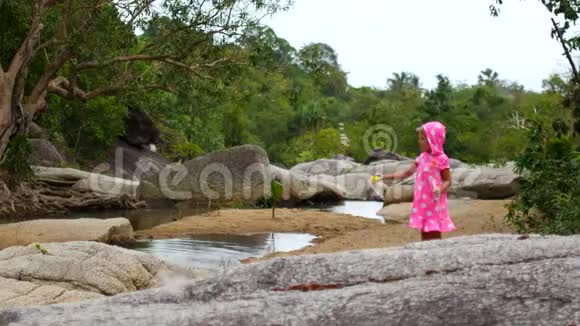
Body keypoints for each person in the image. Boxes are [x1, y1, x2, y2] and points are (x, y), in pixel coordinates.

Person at [380, 121, 456, 241]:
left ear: (433, 139)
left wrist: (440, 189)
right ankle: (425, 252)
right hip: (422, 201)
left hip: (434, 202)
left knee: (434, 229)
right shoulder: (422, 157)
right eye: (419, 138)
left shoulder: (442, 159)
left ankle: (436, 253)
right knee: (424, 229)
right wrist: (385, 176)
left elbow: (447, 181)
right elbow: (407, 173)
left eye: (423, 138)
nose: (419, 141)